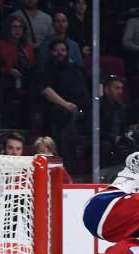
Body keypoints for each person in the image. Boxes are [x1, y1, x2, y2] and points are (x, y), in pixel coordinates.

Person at [36, 39, 91, 170]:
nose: (60, 53)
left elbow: (91, 86)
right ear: (50, 52)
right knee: (61, 116)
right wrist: (66, 105)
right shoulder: (45, 69)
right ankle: (62, 165)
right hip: (59, 108)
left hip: (82, 108)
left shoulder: (77, 68)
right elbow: (46, 91)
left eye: (63, 50)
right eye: (56, 50)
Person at [100, 76, 128, 167]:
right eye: (117, 88)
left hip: (119, 140)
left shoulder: (122, 108)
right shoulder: (97, 106)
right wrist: (113, 138)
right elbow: (93, 130)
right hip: (102, 140)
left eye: (121, 88)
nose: (120, 92)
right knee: (105, 146)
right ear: (107, 90)